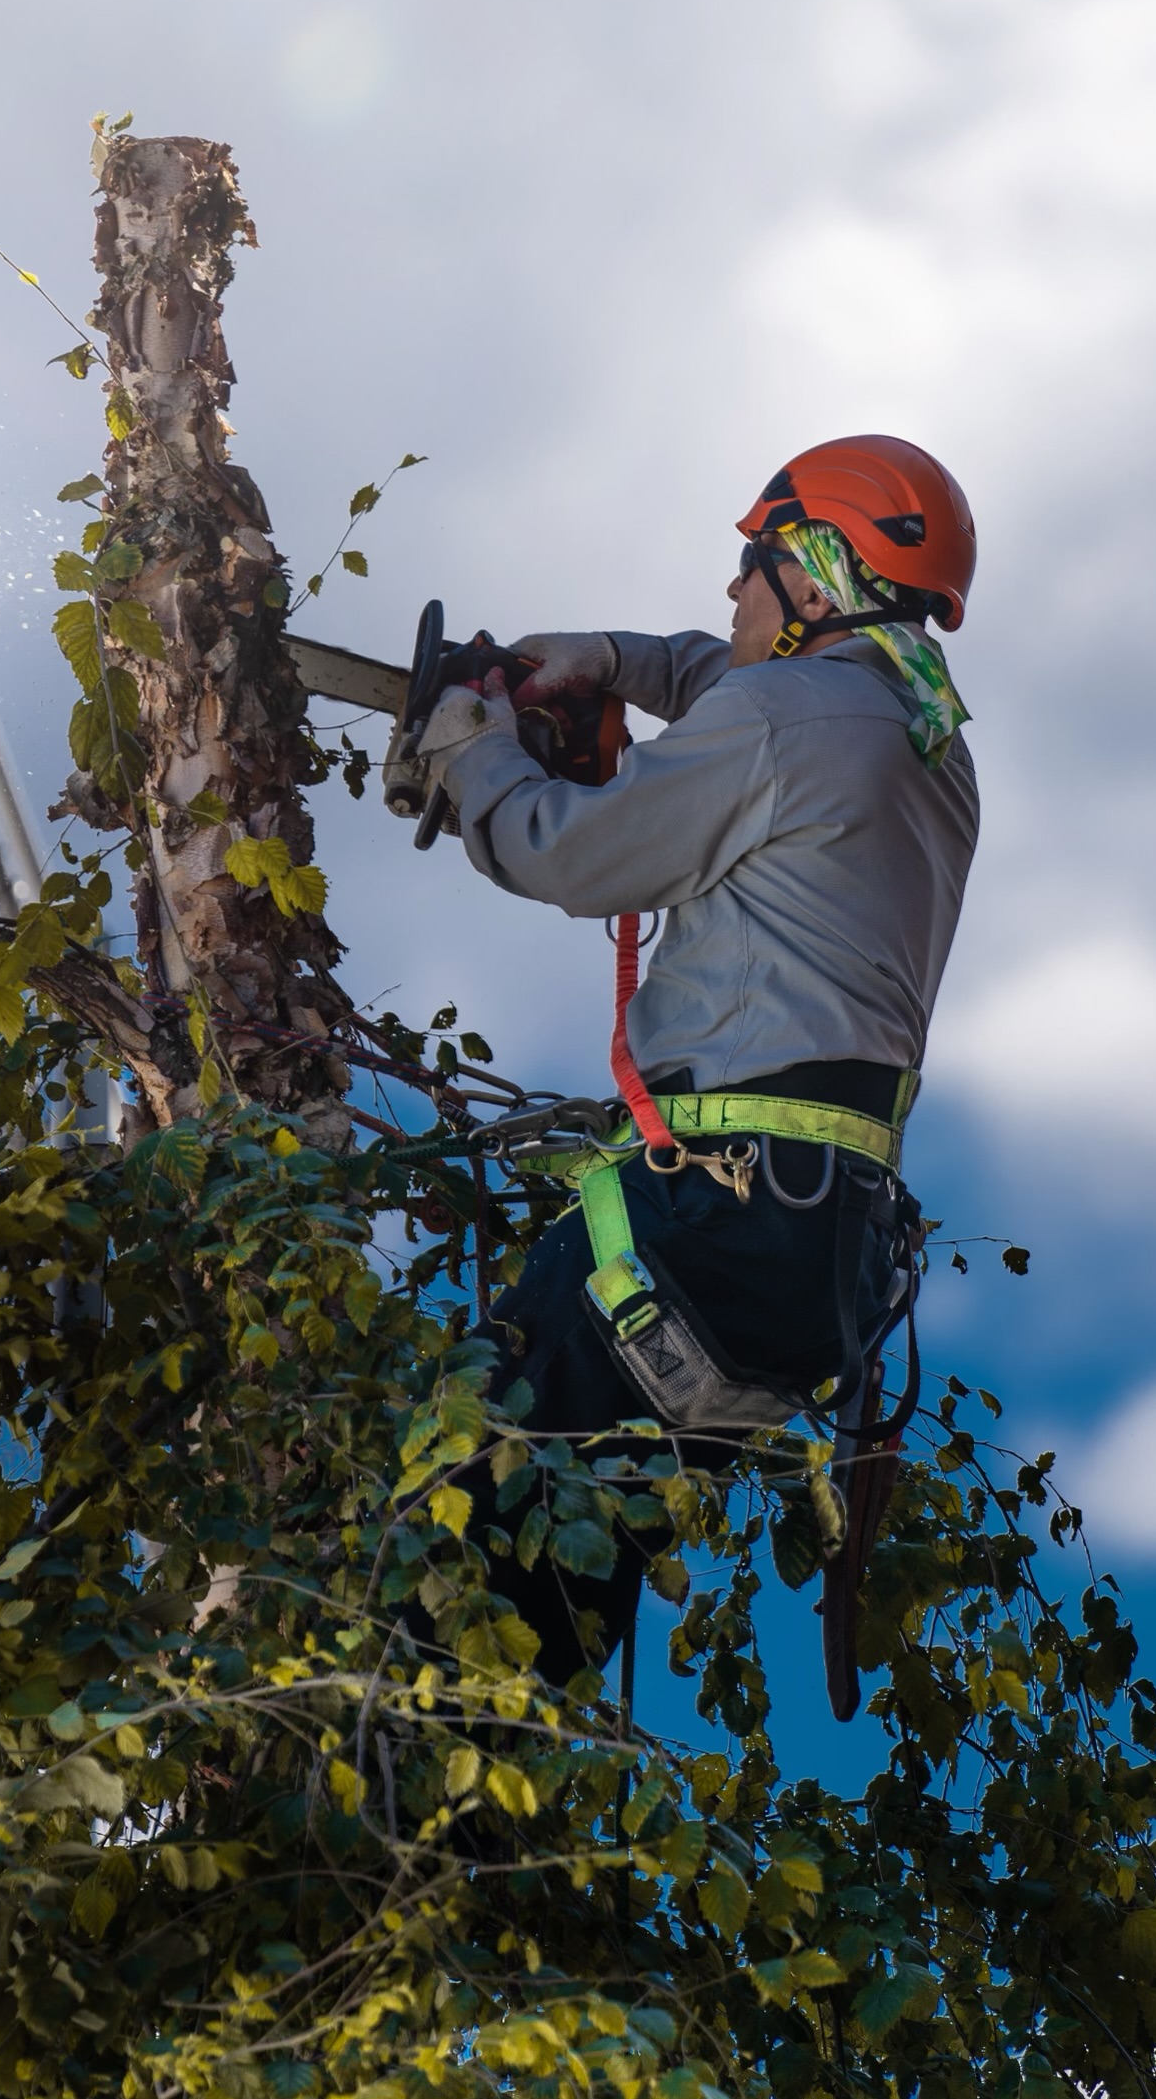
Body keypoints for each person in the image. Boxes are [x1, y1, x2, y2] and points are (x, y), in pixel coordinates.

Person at [413, 435, 979, 1689]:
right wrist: (611, 665)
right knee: (540, 1619)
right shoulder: (929, 740)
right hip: (803, 1270)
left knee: (443, 1550)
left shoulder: (785, 716)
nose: (730, 591)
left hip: (703, 1221)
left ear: (814, 580)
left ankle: (348, 1826)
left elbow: (561, 851)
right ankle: (475, 1853)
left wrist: (472, 754)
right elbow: (740, 686)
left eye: (749, 565)